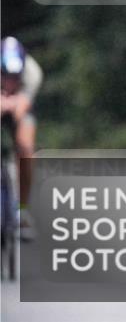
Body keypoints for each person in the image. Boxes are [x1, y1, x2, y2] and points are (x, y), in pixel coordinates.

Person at [0, 37, 43, 241]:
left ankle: (22, 210)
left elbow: (23, 105)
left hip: (18, 107)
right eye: (5, 75)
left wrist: (14, 103)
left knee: (26, 148)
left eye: (15, 76)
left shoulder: (32, 72)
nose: (10, 81)